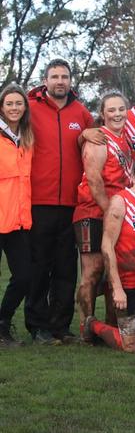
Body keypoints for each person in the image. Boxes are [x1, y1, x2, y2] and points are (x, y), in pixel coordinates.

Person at [26, 58, 100, 345]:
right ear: (45, 80)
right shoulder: (30, 109)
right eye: (54, 76)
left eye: (65, 76)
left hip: (71, 203)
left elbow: (95, 142)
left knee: (66, 268)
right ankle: (37, 325)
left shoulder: (81, 113)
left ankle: (61, 326)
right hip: (38, 201)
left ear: (71, 81)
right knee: (38, 266)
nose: (60, 81)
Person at [83, 157, 135, 352]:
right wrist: (117, 288)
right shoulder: (120, 202)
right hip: (128, 285)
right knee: (130, 347)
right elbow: (107, 246)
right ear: (133, 176)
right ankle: (93, 324)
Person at [73, 92, 132, 339]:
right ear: (103, 113)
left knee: (112, 269)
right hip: (93, 211)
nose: (117, 114)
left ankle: (109, 324)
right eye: (111, 110)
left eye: (121, 109)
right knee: (93, 270)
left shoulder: (126, 138)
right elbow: (95, 180)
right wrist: (109, 211)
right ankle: (86, 325)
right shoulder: (98, 139)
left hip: (117, 212)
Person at [0, 84, 34, 346]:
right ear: (2, 106)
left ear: (25, 107)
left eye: (18, 103)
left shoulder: (27, 137)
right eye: (9, 103)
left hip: (19, 221)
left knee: (24, 276)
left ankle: (2, 323)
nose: (14, 108)